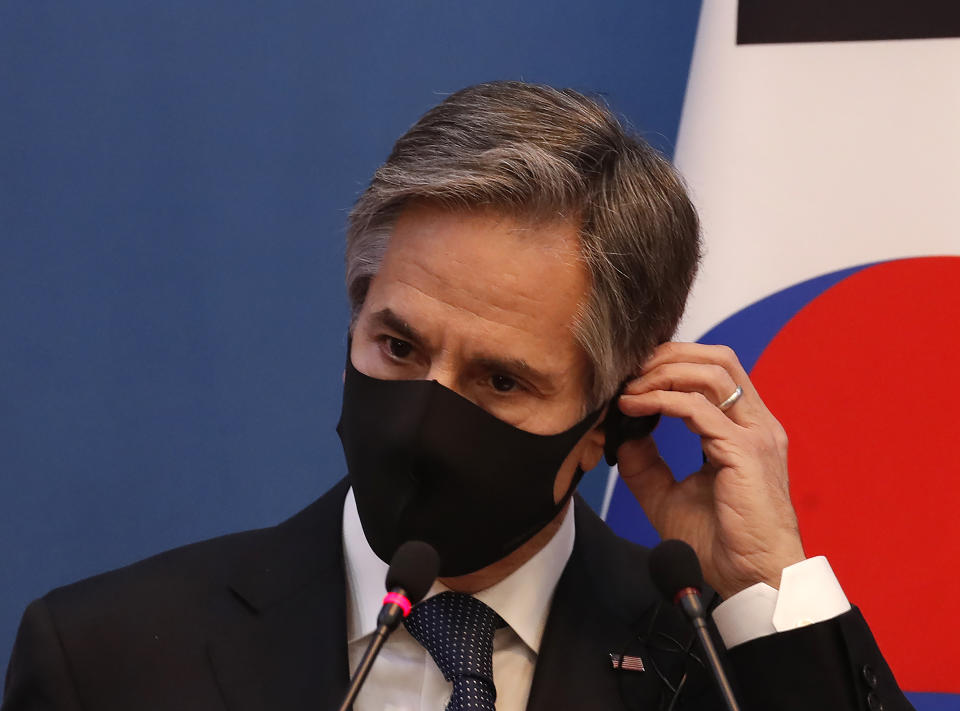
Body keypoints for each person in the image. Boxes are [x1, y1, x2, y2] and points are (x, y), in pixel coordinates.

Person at [2, 81, 912, 711]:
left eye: (501, 379)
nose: (427, 419)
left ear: (609, 416)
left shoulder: (720, 667)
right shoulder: (107, 657)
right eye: (398, 345)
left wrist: (765, 585)